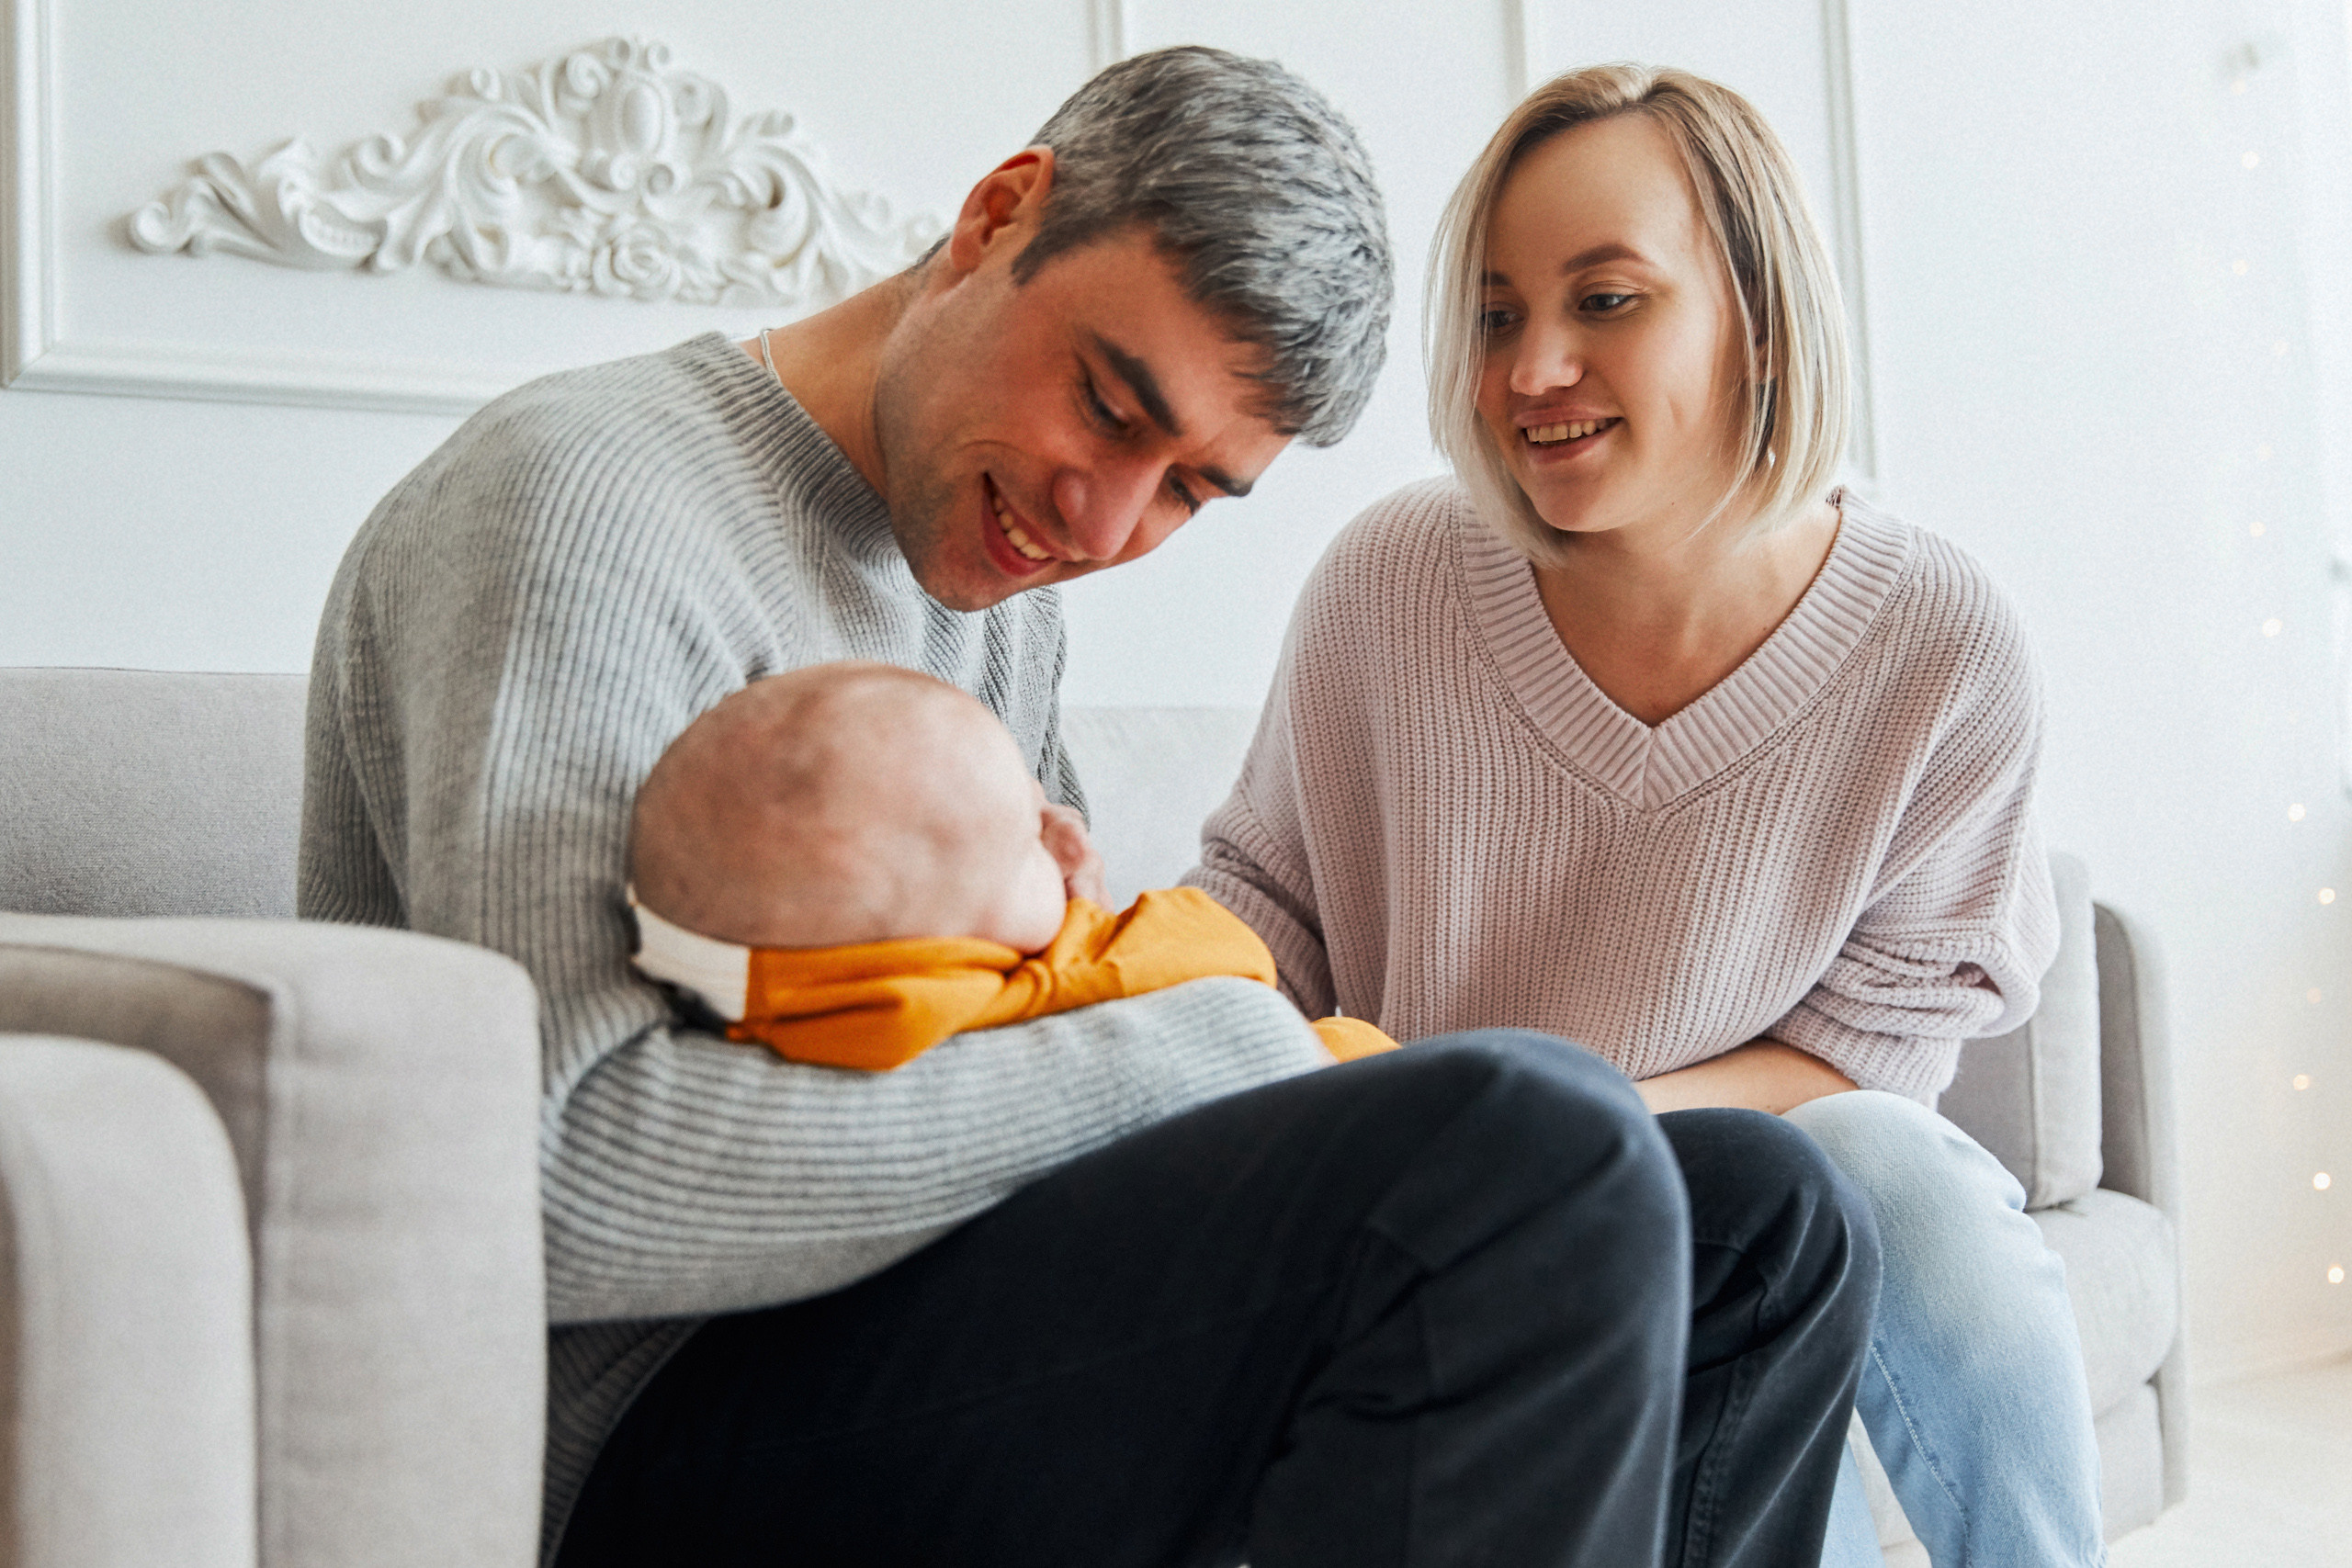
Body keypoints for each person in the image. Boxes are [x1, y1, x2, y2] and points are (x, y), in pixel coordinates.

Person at [300, 45, 1880, 1568]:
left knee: (1768, 1218)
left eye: (1188, 488)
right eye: (1114, 409)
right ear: (999, 216)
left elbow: (1034, 1019)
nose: (1104, 522)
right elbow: (560, 1173)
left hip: (930, 1321)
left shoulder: (998, 591)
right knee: (1522, 1133)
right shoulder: (587, 504)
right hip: (644, 1436)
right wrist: (1217, 1046)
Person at [1188, 62, 2107, 1568]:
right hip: (1443, 1242)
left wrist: (1574, 1134)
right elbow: (1257, 932)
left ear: (1760, 318)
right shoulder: (1388, 584)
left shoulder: (1939, 641)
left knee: (1893, 1172)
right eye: (1497, 315)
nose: (1533, 367)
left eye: (1605, 300)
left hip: (1748, 1216)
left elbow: (1866, 1067)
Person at [623, 660, 1398, 1066]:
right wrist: (1089, 924)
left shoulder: (787, 998)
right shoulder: (1014, 992)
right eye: (1029, 838)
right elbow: (1220, 955)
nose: (1070, 839)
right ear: (940, 941)